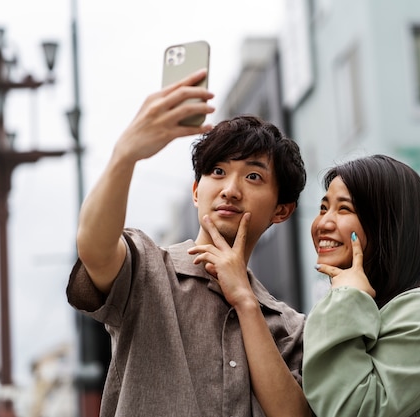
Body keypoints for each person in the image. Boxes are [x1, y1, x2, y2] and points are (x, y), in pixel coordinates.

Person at [66, 68, 311, 416]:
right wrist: (126, 155)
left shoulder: (290, 329)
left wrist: (245, 301)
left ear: (282, 210)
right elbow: (94, 248)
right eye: (217, 172)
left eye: (253, 176)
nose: (230, 189)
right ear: (196, 192)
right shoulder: (148, 271)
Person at [302, 154, 420, 416]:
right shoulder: (347, 308)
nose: (322, 223)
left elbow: (354, 409)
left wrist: (346, 295)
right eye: (323, 208)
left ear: (387, 225)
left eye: (344, 209)